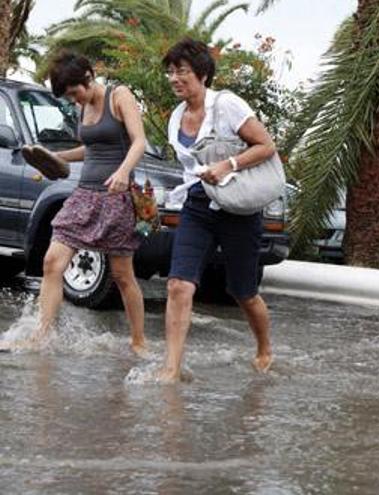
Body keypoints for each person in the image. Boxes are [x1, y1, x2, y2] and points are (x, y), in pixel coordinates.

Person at [1, 52, 148, 354]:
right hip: (84, 195)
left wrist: (122, 171)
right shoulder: (82, 107)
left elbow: (139, 141)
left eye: (74, 92)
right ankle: (43, 334)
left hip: (117, 197)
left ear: (88, 77)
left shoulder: (119, 96)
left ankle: (138, 341)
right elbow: (89, 149)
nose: (73, 99)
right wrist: (54, 157)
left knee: (122, 275)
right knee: (52, 262)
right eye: (68, 96)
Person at [156, 38, 276, 382]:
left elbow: (266, 146)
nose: (175, 77)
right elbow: (188, 170)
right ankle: (171, 368)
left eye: (182, 71)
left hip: (238, 207)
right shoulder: (177, 117)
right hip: (198, 204)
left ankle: (265, 348)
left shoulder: (228, 106)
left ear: (203, 74)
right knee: (179, 284)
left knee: (243, 292)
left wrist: (229, 164)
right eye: (171, 71)